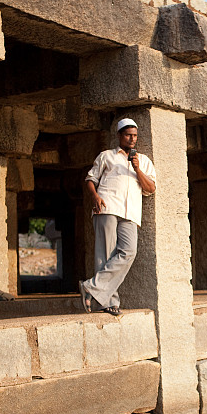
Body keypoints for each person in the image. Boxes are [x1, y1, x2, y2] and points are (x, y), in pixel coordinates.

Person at [79, 118, 156, 316]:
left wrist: (137, 168)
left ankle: (91, 287)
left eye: (135, 136)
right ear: (119, 135)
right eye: (128, 135)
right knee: (105, 255)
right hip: (107, 206)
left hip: (130, 213)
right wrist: (95, 197)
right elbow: (90, 179)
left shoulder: (144, 161)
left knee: (129, 252)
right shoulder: (107, 156)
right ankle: (109, 302)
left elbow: (150, 188)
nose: (132, 139)